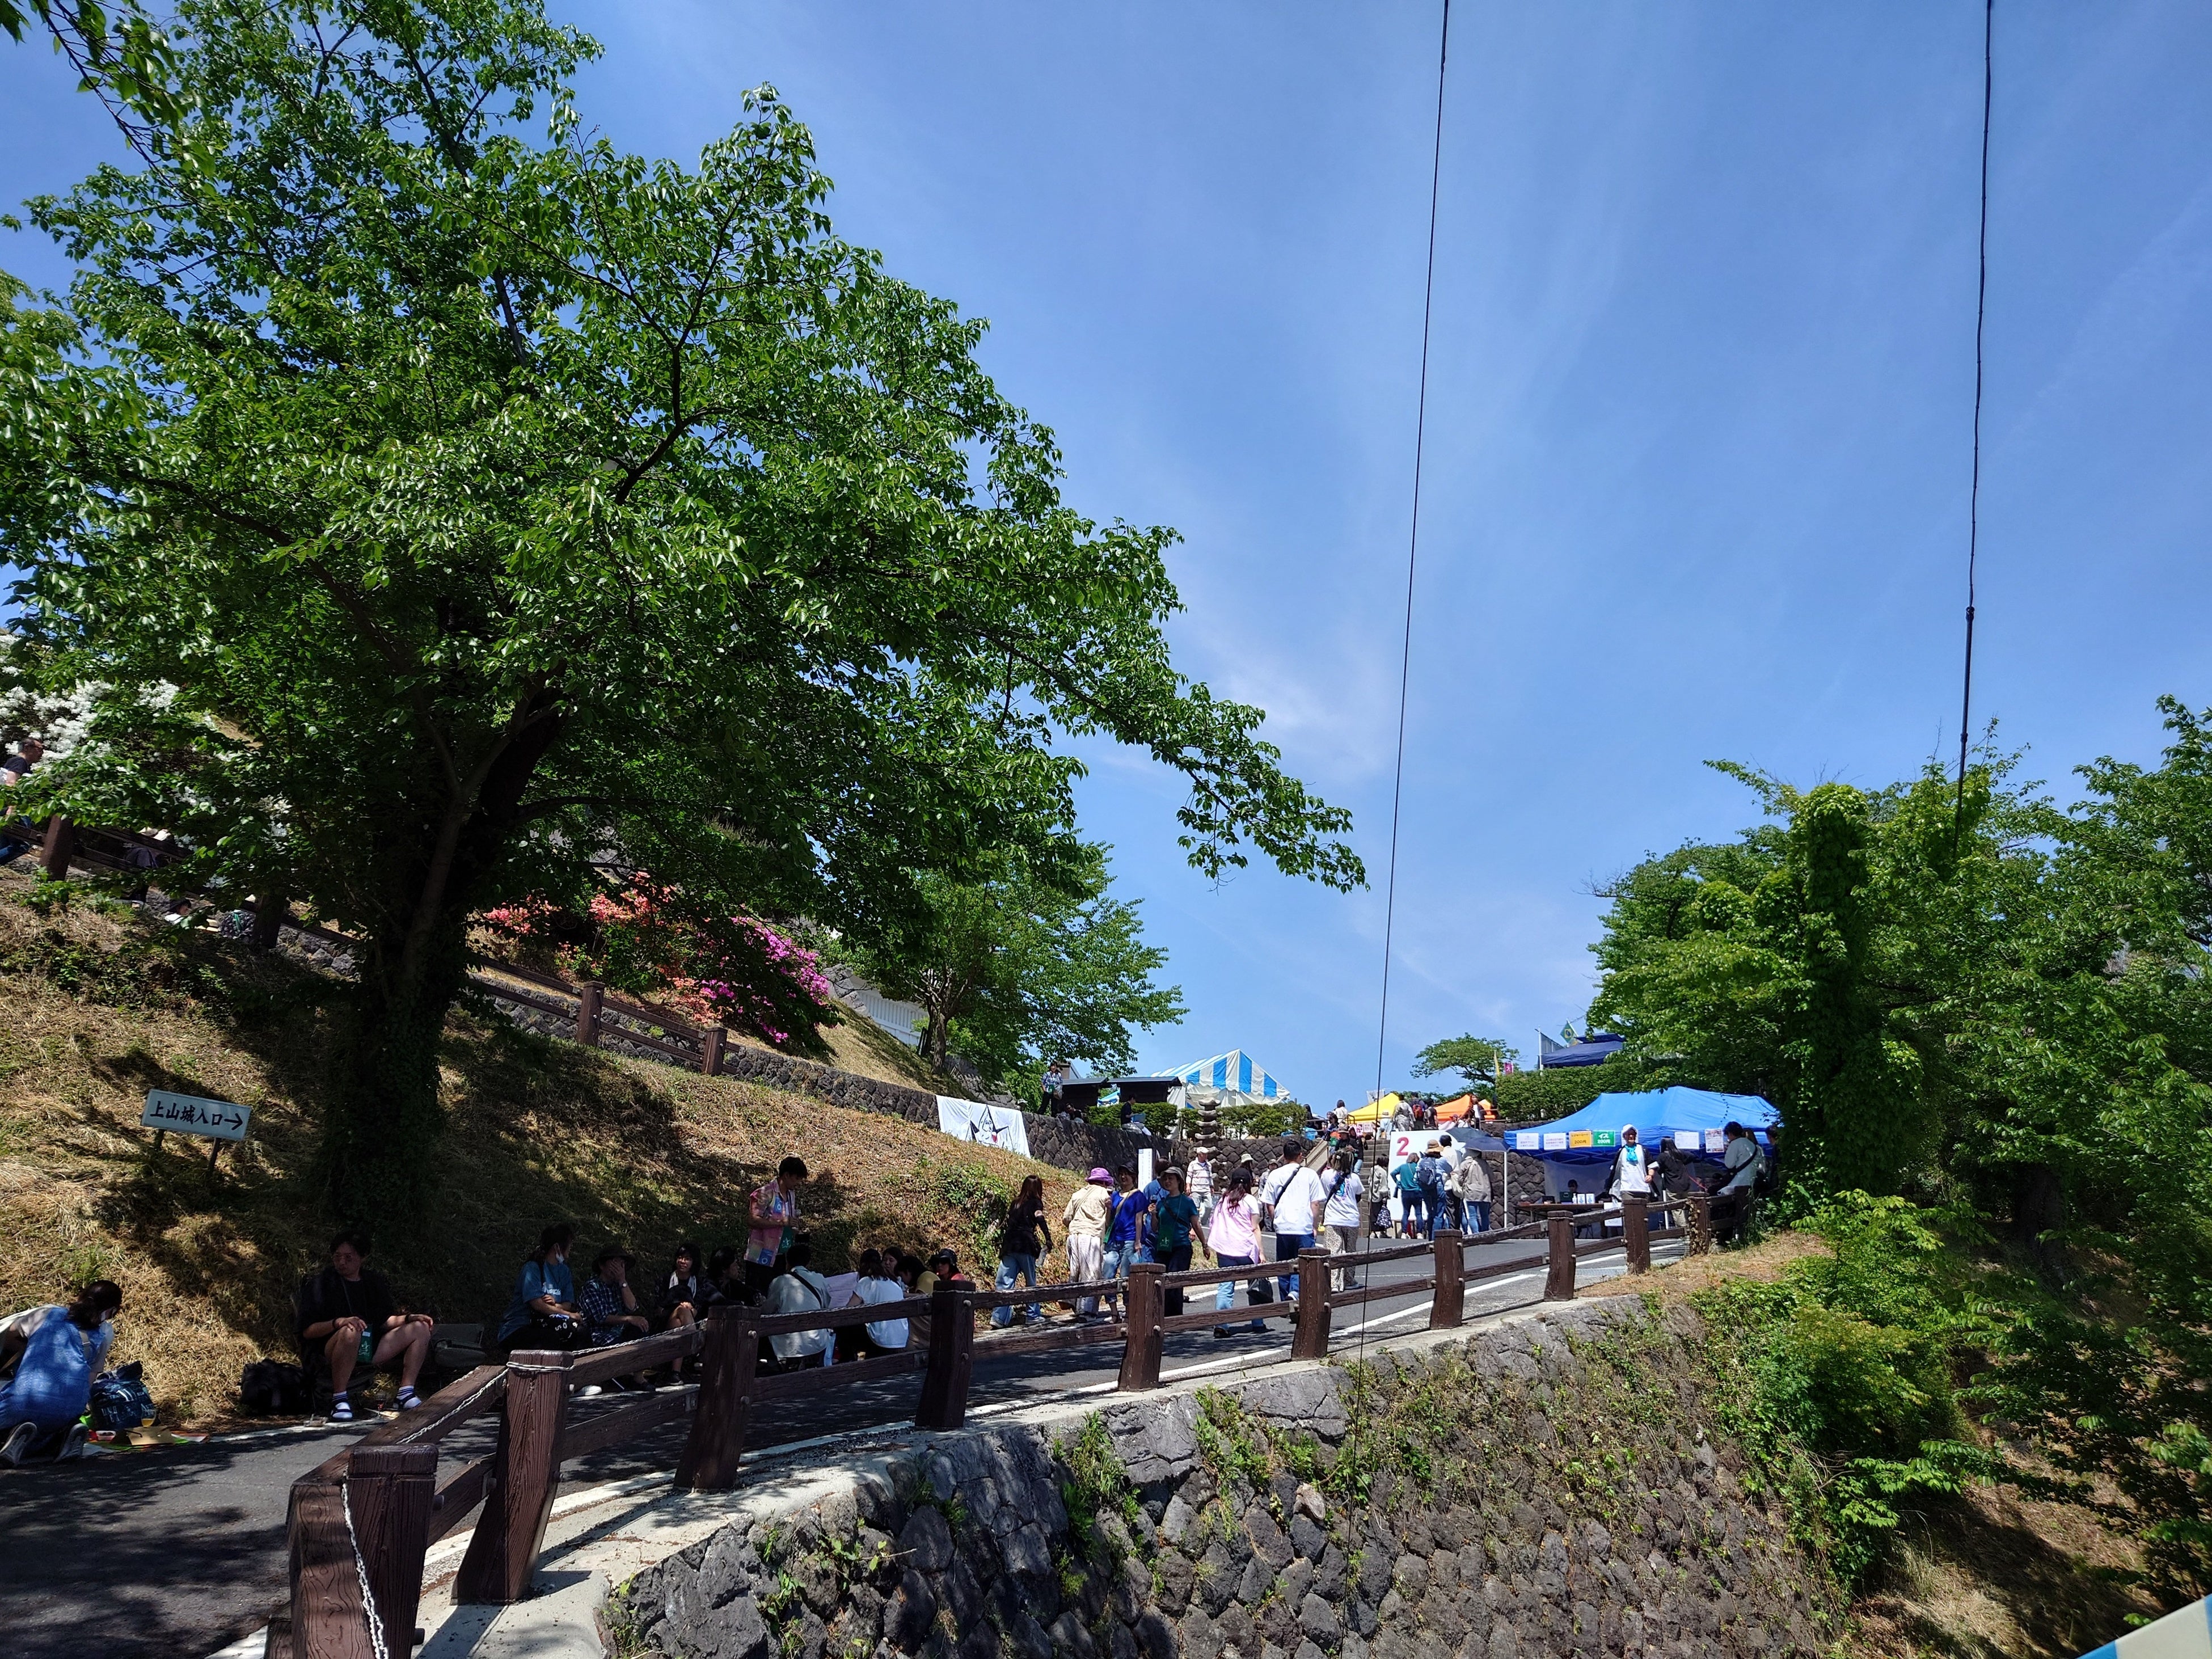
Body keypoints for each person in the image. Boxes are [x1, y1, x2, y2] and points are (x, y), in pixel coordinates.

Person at [297, 1232, 433, 1421]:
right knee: (351, 1330)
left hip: (369, 1346)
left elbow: (384, 1321)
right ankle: (339, 1398)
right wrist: (338, 1322)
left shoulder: (373, 1281)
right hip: (333, 1349)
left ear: (363, 1257)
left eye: (348, 1257)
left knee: (420, 1327)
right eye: (337, 1257)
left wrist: (410, 1318)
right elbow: (307, 1331)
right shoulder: (321, 1284)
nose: (342, 1262)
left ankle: (405, 1392)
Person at [0, 1279, 120, 1462]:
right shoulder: (103, 1335)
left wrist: (28, 1347)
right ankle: (63, 1436)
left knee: (14, 1406)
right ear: (112, 1311)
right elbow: (89, 1380)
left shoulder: (46, 1314)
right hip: (70, 1410)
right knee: (50, 1424)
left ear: (81, 1296)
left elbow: (11, 1333)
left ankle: (10, 1438)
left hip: (24, 1402)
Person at [496, 1223, 585, 1357]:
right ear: (557, 1247)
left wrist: (554, 1305)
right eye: (569, 1245)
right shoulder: (532, 1268)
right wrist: (568, 1314)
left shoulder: (564, 1271)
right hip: (520, 1327)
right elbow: (537, 1305)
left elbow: (567, 1304)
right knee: (549, 1339)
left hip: (550, 1324)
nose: (570, 1249)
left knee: (581, 1333)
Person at [1206, 1170, 1271, 1337]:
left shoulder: (1223, 1200)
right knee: (1254, 1284)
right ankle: (1257, 1322)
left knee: (1226, 1287)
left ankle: (1222, 1324)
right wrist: (1261, 1252)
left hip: (1225, 1249)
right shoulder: (1250, 1200)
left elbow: (1213, 1222)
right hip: (1246, 1249)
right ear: (1249, 1183)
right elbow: (1255, 1228)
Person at [1259, 1139, 1325, 1301]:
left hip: (1283, 1226)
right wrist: (1314, 1225)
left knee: (1284, 1264)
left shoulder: (1274, 1175)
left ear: (1284, 1156)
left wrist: (1276, 1220)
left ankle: (1286, 1301)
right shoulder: (1310, 1174)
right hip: (1303, 1226)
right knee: (1303, 1263)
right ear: (1300, 1155)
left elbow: (1269, 1204)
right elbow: (1315, 1204)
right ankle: (1295, 1292)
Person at [991, 1175, 1053, 1327]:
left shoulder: (1015, 1203)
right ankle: (1033, 1315)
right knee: (1030, 1281)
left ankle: (998, 1317)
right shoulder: (1036, 1203)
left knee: (1005, 1281)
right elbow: (1039, 1218)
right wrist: (1048, 1238)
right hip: (1026, 1245)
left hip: (1010, 1245)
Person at [765, 1239, 834, 1367]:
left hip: (788, 1346)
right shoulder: (820, 1279)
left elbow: (767, 1311)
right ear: (808, 1262)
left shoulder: (780, 1282)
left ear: (787, 1262)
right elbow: (825, 1305)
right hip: (816, 1342)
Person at [746, 1158, 808, 1300]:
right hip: (760, 1254)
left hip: (781, 1254)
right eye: (796, 1179)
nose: (798, 1183)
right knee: (757, 1296)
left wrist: (793, 1228)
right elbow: (752, 1220)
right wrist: (780, 1222)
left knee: (776, 1296)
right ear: (786, 1175)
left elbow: (788, 1221)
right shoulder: (765, 1193)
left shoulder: (791, 1195)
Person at [1062, 1168, 1113, 1320]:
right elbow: (1107, 1221)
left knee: (1075, 1271)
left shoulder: (1077, 1194)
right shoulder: (1104, 1194)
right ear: (1104, 1182)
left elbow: (1066, 1218)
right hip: (1091, 1236)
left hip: (1073, 1235)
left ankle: (1072, 1299)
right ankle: (1086, 1311)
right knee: (1091, 1273)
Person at [1102, 1167, 1151, 1319]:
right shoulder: (1115, 1195)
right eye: (1121, 1174)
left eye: (1127, 1174)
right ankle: (1114, 1312)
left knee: (1126, 1278)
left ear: (1133, 1177)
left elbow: (1139, 1219)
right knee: (1107, 1274)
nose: (1124, 1177)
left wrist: (1138, 1241)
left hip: (1130, 1240)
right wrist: (1109, 1208)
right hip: (1114, 1240)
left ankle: (1129, 1312)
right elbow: (1109, 1221)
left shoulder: (1139, 1196)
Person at [579, 1247, 652, 1348]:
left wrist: (623, 1281)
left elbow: (632, 1307)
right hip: (601, 1334)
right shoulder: (592, 1287)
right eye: (614, 1262)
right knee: (619, 1346)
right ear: (602, 1266)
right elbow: (601, 1317)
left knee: (641, 1334)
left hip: (621, 1331)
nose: (618, 1267)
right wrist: (628, 1319)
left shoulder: (619, 1286)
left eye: (622, 1263)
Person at [1152, 1167, 1201, 1315]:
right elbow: (1155, 1228)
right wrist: (1153, 1214)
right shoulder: (1161, 1203)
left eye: (1171, 1179)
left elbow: (1196, 1225)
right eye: (1166, 1179)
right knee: (1160, 1282)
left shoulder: (1187, 1202)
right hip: (1163, 1246)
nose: (1168, 1181)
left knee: (1175, 1281)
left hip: (1181, 1247)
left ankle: (1175, 1318)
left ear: (1179, 1181)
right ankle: (1163, 1316)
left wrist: (1205, 1245)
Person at [845, 1250, 911, 1358]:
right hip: (901, 1338)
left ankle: (847, 1359)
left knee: (843, 1327)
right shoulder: (894, 1283)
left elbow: (848, 1310)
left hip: (881, 1339)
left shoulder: (866, 1281)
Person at [1322, 1153, 1364, 1290]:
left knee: (1334, 1250)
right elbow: (1358, 1195)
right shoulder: (1354, 1178)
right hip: (1351, 1219)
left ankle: (1333, 1283)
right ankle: (1349, 1280)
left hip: (1333, 1218)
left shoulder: (1326, 1175)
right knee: (1350, 1251)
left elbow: (1324, 1192)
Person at [659, 1243, 706, 1331]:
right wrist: (678, 1307)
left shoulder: (699, 1283)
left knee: (678, 1323)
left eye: (687, 1259)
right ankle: (693, 1338)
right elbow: (659, 1310)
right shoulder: (666, 1280)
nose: (682, 1261)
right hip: (666, 1320)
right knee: (682, 1310)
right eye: (680, 1258)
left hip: (688, 1319)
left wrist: (690, 1308)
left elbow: (698, 1309)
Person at [1453, 1146, 1493, 1234]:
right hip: (1485, 1191)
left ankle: (1476, 1234)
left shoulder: (1465, 1164)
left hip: (1471, 1191)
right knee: (1485, 1215)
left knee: (1472, 1216)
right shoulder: (1484, 1163)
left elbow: (1460, 1180)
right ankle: (1486, 1234)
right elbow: (1492, 1177)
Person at [1416, 1145, 1449, 1239]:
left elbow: (1416, 1177)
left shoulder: (1422, 1161)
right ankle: (1436, 1239)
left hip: (1426, 1190)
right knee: (1438, 1214)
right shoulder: (1441, 1161)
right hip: (1438, 1188)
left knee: (1430, 1213)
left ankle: (1430, 1237)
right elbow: (1450, 1169)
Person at [1186, 1152, 1214, 1227]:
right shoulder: (1193, 1164)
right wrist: (1188, 1186)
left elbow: (1210, 1177)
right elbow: (1189, 1176)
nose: (1206, 1156)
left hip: (1206, 1189)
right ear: (1199, 1155)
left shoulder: (1209, 1165)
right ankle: (1196, 1224)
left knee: (1209, 1207)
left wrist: (1211, 1186)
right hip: (1196, 1189)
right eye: (1204, 1154)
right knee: (1196, 1208)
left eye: (1206, 1154)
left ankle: (1203, 1222)